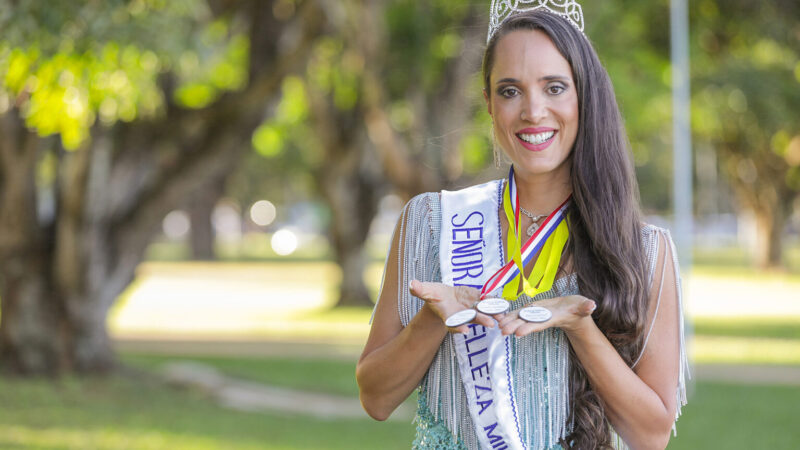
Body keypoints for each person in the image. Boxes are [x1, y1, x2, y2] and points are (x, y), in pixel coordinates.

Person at [356, 5, 689, 450]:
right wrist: (434, 321)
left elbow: (651, 436)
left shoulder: (644, 250)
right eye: (510, 91)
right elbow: (375, 399)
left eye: (554, 88)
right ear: (489, 104)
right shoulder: (430, 222)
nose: (533, 111)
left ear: (584, 97)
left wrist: (580, 327)